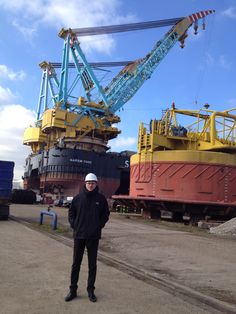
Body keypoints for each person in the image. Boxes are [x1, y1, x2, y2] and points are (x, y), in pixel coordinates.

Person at [65, 173, 110, 303]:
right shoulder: (78, 198)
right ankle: (72, 290)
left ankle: (90, 290)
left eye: (93, 183)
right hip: (79, 235)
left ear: (96, 184)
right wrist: (74, 225)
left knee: (92, 265)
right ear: (85, 183)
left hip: (93, 237)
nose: (90, 185)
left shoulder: (101, 199)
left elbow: (105, 214)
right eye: (88, 183)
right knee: (76, 264)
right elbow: (71, 213)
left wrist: (99, 226)